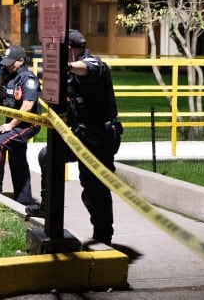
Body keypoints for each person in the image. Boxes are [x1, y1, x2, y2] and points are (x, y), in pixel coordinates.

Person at [25, 29, 122, 246]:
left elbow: (88, 69)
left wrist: (66, 66)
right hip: (78, 136)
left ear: (68, 49)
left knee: (94, 189)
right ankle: (47, 206)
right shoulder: (69, 71)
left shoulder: (92, 63)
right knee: (47, 156)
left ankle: (103, 234)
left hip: (99, 140)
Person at [0, 45, 41, 205]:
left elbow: (27, 106)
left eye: (10, 62)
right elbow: (0, 101)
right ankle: (24, 199)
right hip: (14, 122)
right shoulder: (9, 77)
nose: (6, 65)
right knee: (18, 159)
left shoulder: (28, 78)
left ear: (21, 61)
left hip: (29, 123)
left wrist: (10, 125)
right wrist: (1, 81)